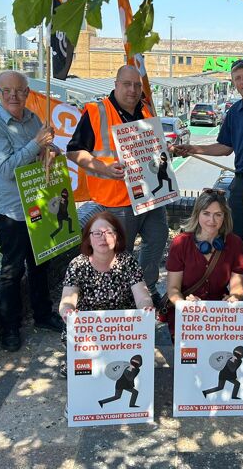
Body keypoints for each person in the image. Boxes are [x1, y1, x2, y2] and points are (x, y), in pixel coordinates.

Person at [67, 65, 168, 307]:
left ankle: (146, 289)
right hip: (116, 202)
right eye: (127, 84)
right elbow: (73, 151)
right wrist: (103, 168)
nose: (132, 90)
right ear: (116, 84)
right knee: (119, 254)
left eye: (136, 85)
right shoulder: (96, 111)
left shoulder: (145, 111)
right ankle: (119, 299)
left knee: (157, 239)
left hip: (150, 196)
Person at [0, 70, 64, 352]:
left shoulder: (33, 119)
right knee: (12, 271)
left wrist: (51, 151)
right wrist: (36, 144)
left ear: (28, 92)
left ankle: (43, 314)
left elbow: (43, 154)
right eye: (7, 91)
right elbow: (5, 170)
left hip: (38, 203)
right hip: (11, 212)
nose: (14, 96)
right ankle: (10, 328)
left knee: (41, 265)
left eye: (19, 90)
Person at [171, 58, 243, 239]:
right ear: (234, 83)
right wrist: (192, 149)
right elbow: (225, 147)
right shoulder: (234, 112)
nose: (242, 82)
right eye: (237, 78)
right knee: (237, 238)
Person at [58, 211, 152, 377]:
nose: (103, 238)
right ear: (88, 237)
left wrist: (146, 308)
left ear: (117, 237)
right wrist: (67, 310)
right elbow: (68, 298)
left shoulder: (127, 262)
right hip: (89, 328)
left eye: (109, 232)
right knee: (83, 374)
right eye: (97, 233)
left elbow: (141, 295)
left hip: (120, 328)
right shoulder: (77, 264)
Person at [165, 189, 243, 338]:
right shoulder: (181, 243)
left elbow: (238, 287)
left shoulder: (235, 243)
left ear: (224, 217)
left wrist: (235, 297)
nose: (212, 220)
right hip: (186, 314)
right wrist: (184, 305)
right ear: (197, 214)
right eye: (206, 213)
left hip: (219, 315)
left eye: (218, 215)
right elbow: (173, 289)